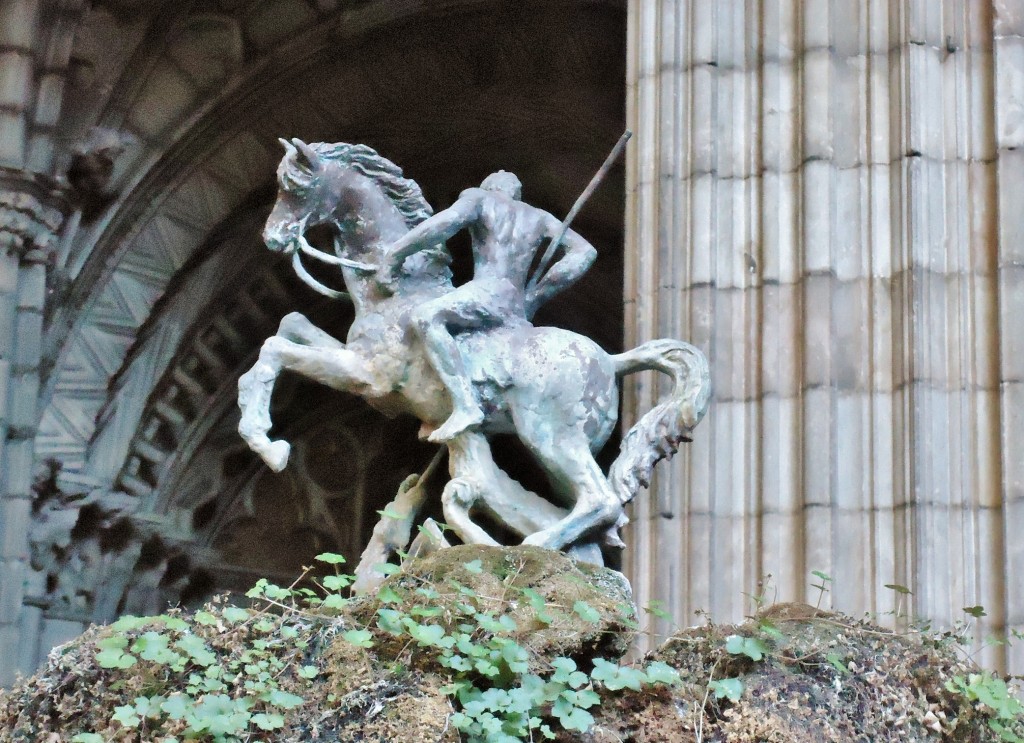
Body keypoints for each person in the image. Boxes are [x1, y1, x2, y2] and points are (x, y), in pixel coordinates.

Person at [379, 170, 598, 442]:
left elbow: (446, 223)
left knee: (426, 317)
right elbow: (584, 252)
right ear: (516, 192)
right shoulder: (540, 217)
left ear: (490, 187)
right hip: (514, 305)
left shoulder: (480, 198)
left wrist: (396, 253)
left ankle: (465, 405)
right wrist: (538, 295)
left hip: (487, 291)